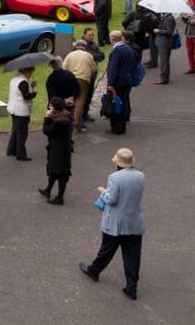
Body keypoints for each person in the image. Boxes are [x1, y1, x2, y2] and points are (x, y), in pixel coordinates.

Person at [79, 148, 146, 300]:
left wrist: (103, 191)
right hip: (134, 222)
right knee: (132, 256)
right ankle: (132, 287)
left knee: (106, 249)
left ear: (118, 163)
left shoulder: (114, 177)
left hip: (115, 223)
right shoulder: (141, 176)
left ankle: (94, 270)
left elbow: (111, 199)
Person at [38, 97, 73, 205]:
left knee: (60, 172)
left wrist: (46, 118)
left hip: (59, 149)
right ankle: (48, 189)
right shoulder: (65, 116)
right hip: (62, 148)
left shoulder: (59, 121)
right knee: (54, 170)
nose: (49, 107)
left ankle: (60, 197)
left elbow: (47, 131)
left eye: (51, 106)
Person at [106, 30, 136, 134]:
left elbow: (113, 69)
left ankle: (117, 127)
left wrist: (110, 83)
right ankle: (122, 126)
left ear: (112, 39)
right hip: (127, 79)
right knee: (123, 103)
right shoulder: (128, 48)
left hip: (118, 82)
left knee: (116, 104)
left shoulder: (117, 50)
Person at [63, 40, 96, 132]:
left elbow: (64, 68)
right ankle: (77, 122)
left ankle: (68, 120)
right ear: (84, 47)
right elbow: (93, 69)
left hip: (71, 79)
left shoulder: (70, 55)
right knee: (80, 100)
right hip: (83, 79)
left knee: (71, 99)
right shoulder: (88, 55)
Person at [6, 66, 36, 161]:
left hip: (13, 108)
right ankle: (21, 154)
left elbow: (20, 92)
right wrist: (34, 93)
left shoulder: (15, 79)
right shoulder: (23, 82)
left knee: (15, 130)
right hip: (21, 110)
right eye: (30, 72)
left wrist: (31, 86)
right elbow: (26, 96)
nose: (31, 74)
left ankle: (11, 150)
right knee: (22, 133)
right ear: (26, 70)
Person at [152, 12, 175, 84]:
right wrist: (156, 20)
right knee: (163, 61)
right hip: (162, 42)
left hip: (165, 43)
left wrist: (159, 31)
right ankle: (163, 77)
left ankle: (164, 79)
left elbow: (169, 31)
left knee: (164, 62)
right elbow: (163, 26)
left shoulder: (169, 19)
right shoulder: (165, 17)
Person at [182, 0, 195, 73]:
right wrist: (185, 19)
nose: (190, 2)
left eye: (191, 1)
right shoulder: (190, 9)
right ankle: (192, 67)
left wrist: (189, 20)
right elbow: (188, 19)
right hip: (189, 34)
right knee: (189, 51)